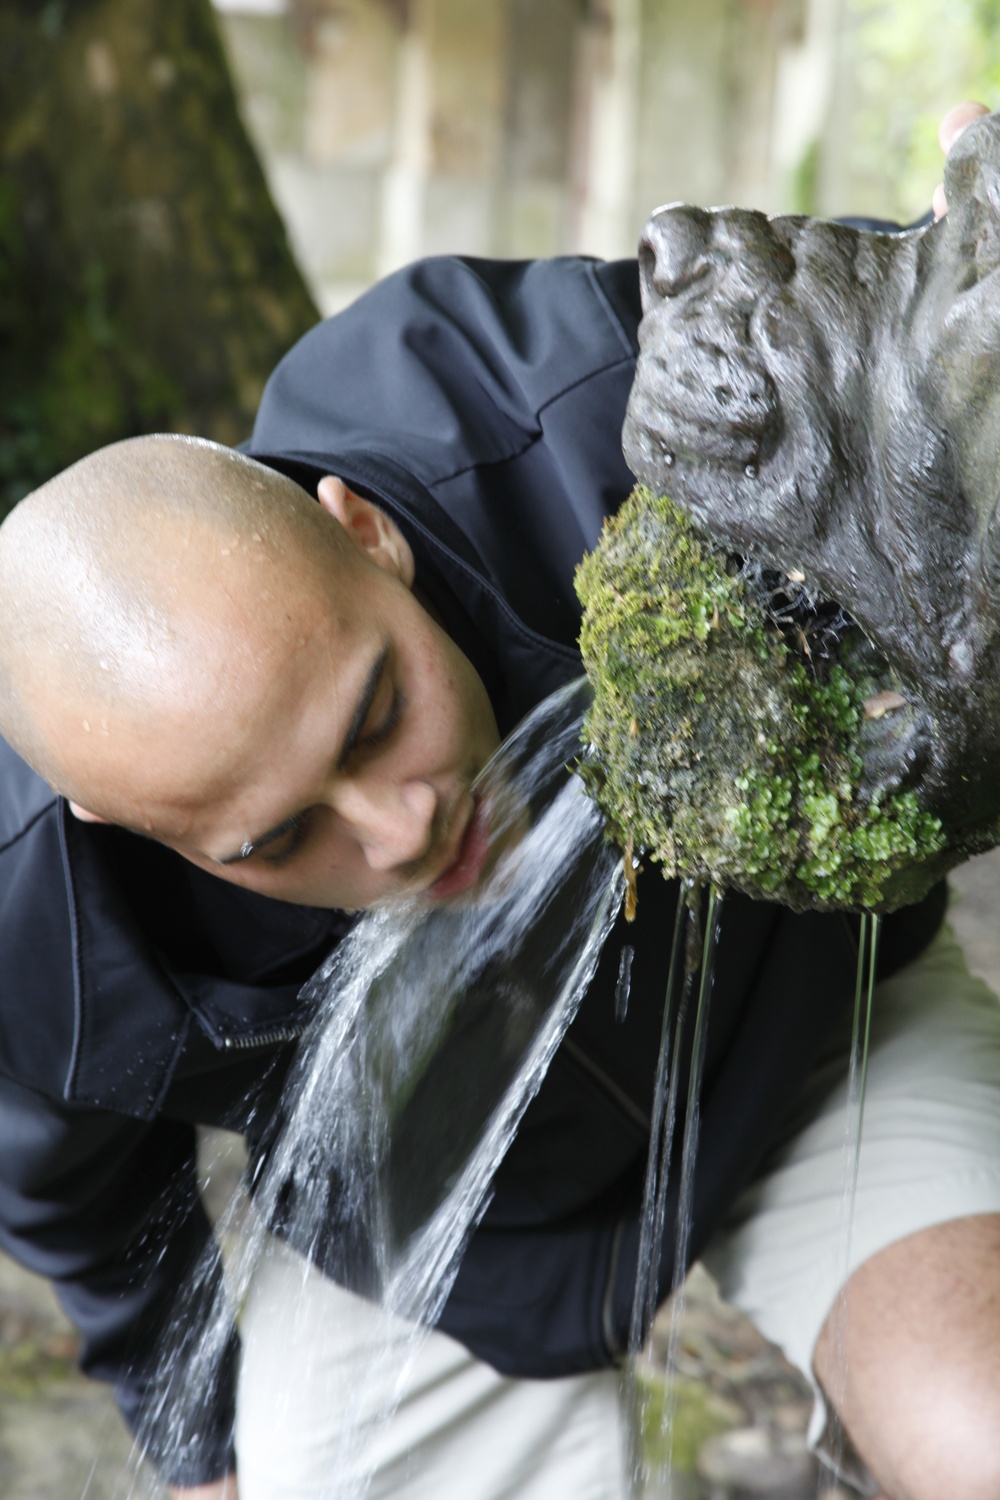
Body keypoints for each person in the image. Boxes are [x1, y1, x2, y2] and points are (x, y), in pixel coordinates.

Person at [0, 106, 997, 1500]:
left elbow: (915, 377)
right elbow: (79, 1203)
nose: (401, 831)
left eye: (378, 714)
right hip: (435, 1238)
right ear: (121, 820)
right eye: (281, 839)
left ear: (370, 535)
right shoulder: (39, 919)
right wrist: (200, 1452)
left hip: (822, 1028)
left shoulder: (585, 415)